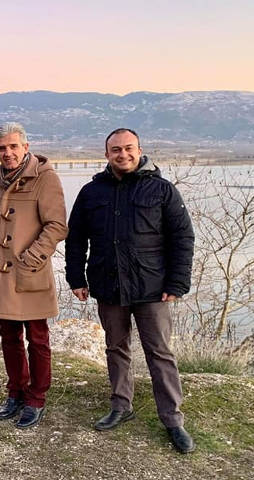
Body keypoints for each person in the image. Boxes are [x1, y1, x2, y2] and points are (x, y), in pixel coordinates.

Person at [65, 128, 196, 453]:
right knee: (116, 348)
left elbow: (182, 237)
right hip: (108, 284)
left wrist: (177, 282)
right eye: (116, 150)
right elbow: (76, 238)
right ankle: (121, 405)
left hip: (152, 287)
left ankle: (173, 419)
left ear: (139, 150)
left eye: (128, 148)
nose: (122, 154)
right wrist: (76, 278)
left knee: (160, 352)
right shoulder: (91, 192)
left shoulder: (162, 190)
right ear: (106, 154)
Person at [0, 123, 67, 429]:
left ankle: (36, 397)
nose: (8, 153)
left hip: (31, 273)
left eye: (13, 146)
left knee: (38, 338)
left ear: (26, 147)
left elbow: (57, 225)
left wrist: (31, 258)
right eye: (2, 148)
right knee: (9, 336)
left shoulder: (45, 177)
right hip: (2, 274)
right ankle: (15, 391)